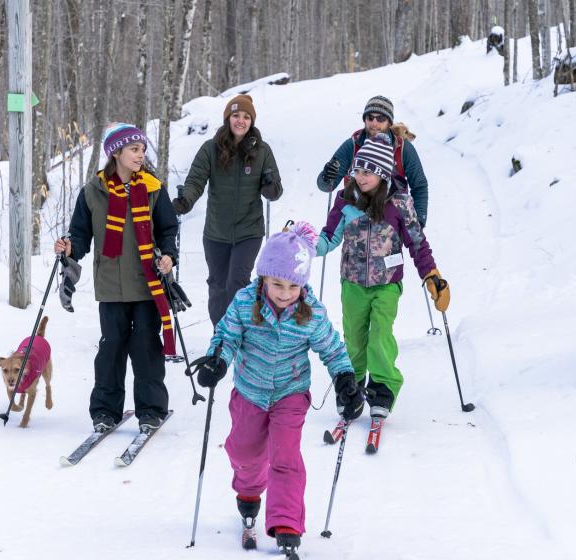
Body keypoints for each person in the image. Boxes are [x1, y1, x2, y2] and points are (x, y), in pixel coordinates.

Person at [189, 222, 362, 555]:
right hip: (249, 390)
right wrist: (218, 361)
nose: (285, 293)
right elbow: (226, 336)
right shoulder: (244, 303)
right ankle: (249, 492)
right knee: (244, 453)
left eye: (293, 286)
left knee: (285, 456)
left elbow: (332, 347)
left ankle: (287, 522)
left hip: (290, 392)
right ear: (263, 279)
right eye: (277, 284)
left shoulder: (310, 313)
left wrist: (344, 378)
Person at [54, 123, 179, 433]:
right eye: (134, 149)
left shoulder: (152, 188)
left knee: (146, 346)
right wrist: (70, 246)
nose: (141, 155)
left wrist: (168, 255)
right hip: (110, 285)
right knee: (111, 348)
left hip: (147, 282)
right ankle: (105, 411)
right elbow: (81, 235)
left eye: (142, 150)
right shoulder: (93, 192)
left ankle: (150, 409)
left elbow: (167, 229)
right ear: (116, 153)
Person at [315, 137, 450, 420]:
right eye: (357, 171)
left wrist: (431, 275)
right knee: (353, 338)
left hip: (387, 283)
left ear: (383, 173)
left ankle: (383, 387)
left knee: (379, 335)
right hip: (352, 282)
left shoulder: (399, 204)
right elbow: (329, 238)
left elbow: (417, 243)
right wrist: (302, 246)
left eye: (367, 172)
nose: (360, 177)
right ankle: (351, 386)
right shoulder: (345, 200)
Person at [172, 94, 283, 327]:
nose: (240, 121)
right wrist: (185, 201)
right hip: (216, 232)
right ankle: (220, 335)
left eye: (246, 117)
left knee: (237, 284)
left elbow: (275, 190)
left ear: (251, 121)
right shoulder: (210, 149)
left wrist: (270, 186)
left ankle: (238, 333)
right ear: (227, 119)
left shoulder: (262, 151)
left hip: (249, 230)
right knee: (217, 285)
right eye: (235, 116)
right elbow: (195, 181)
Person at [315, 95, 431, 226]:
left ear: (389, 122)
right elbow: (326, 186)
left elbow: (419, 185)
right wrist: (327, 176)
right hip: (356, 220)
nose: (374, 123)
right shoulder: (352, 146)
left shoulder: (403, 149)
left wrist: (419, 222)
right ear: (364, 120)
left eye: (381, 118)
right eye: (370, 117)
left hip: (392, 221)